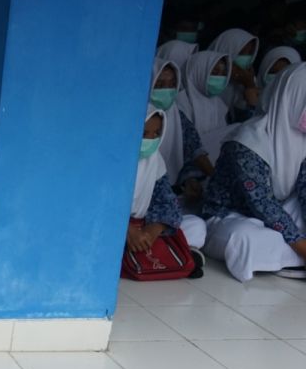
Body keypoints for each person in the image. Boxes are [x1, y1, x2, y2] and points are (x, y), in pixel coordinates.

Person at [202, 64, 306, 282]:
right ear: (292, 97)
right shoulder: (247, 142)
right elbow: (264, 206)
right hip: (229, 217)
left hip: (279, 215)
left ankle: (287, 256)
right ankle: (292, 256)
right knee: (245, 239)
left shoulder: (302, 140)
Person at [126, 106, 207, 276]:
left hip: (142, 227)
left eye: (156, 134)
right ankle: (180, 255)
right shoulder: (111, 158)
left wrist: (152, 230)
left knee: (196, 226)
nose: (150, 140)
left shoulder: (154, 159)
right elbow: (94, 205)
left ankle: (154, 251)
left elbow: (168, 202)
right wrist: (126, 229)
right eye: (144, 133)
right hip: (113, 226)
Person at [149, 57, 211, 196]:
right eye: (159, 84)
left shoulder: (177, 115)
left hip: (171, 189)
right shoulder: (134, 118)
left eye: (172, 84)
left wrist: (190, 179)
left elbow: (193, 148)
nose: (167, 90)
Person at [206, 28, 261, 120]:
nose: (247, 57)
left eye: (250, 53)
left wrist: (249, 85)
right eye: (242, 52)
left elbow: (254, 119)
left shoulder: (249, 79)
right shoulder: (207, 79)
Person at [256, 46, 302, 113]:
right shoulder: (248, 96)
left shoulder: (300, 111)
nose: (278, 79)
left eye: (284, 75)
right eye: (273, 72)